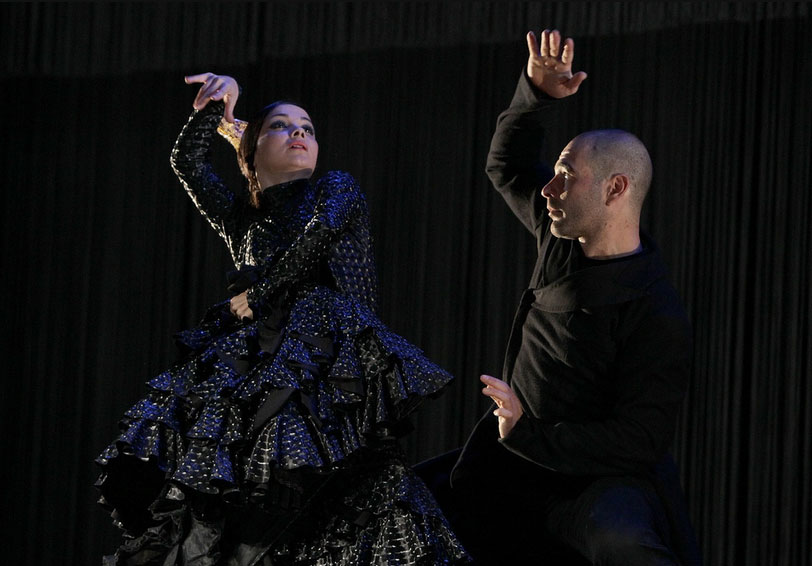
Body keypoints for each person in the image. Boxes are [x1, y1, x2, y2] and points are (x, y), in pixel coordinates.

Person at [94, 72, 471, 565]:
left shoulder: (336, 187)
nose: (298, 133)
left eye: (307, 128)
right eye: (280, 125)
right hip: (261, 364)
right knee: (247, 506)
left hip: (332, 369)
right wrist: (218, 105)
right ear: (249, 150)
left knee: (360, 497)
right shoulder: (241, 221)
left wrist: (260, 292)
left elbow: (319, 235)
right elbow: (186, 161)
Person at [416, 29, 702, 565]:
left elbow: (638, 439)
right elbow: (507, 167)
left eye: (566, 176)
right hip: (517, 462)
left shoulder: (656, 311)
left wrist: (530, 433)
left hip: (597, 482)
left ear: (615, 189)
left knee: (622, 540)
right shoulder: (559, 239)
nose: (549, 190)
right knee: (399, 509)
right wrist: (536, 96)